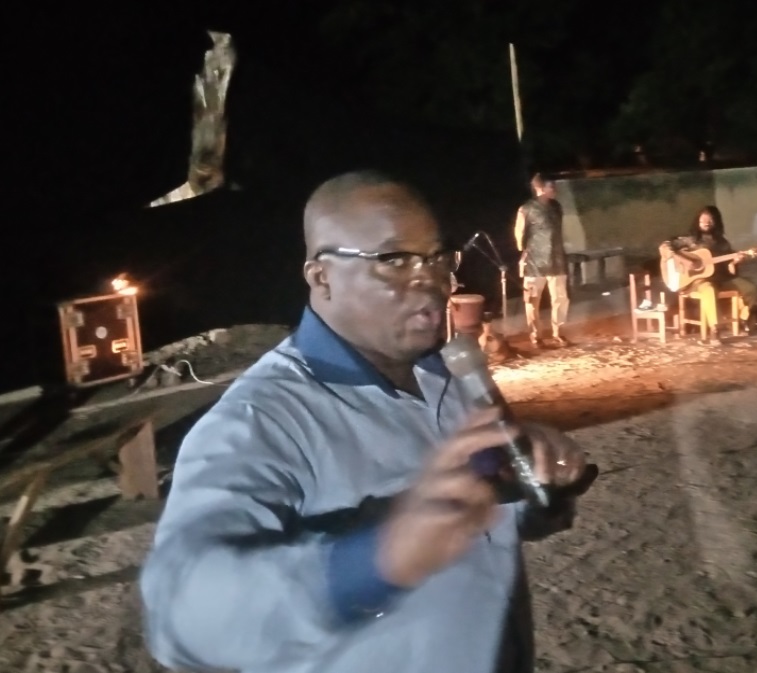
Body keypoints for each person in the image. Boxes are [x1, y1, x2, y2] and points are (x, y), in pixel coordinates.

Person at [139, 170, 596, 673]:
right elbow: (181, 617)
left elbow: (487, 518)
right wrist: (377, 559)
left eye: (438, 258)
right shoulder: (260, 421)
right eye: (394, 260)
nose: (431, 282)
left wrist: (539, 493)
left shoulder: (451, 376)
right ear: (322, 277)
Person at [660, 205, 757, 345]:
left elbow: (729, 270)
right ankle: (714, 330)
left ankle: (740, 318)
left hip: (720, 278)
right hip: (696, 281)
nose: (706, 222)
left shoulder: (722, 243)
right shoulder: (690, 240)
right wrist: (683, 259)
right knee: (709, 290)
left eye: (710, 219)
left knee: (750, 288)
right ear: (698, 221)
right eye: (703, 219)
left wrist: (735, 262)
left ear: (716, 222)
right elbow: (664, 247)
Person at [514, 173, 570, 347]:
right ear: (540, 188)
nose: (554, 189)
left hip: (556, 259)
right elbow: (519, 234)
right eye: (551, 186)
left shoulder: (556, 207)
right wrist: (524, 252)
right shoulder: (526, 209)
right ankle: (535, 335)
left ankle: (558, 332)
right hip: (534, 261)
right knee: (532, 300)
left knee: (560, 298)